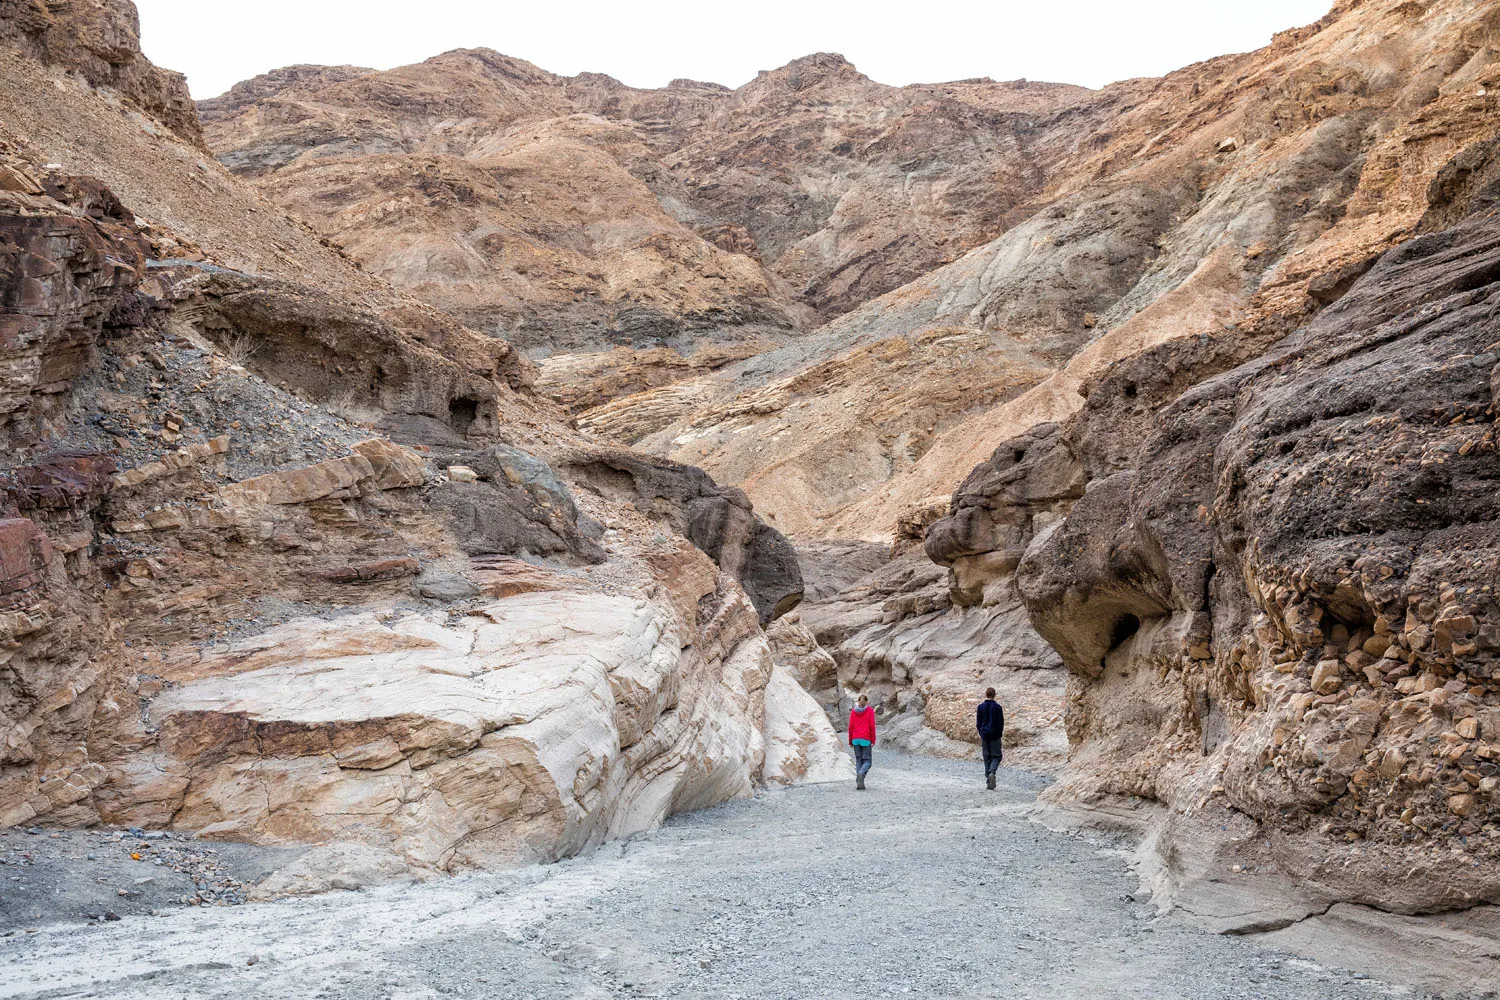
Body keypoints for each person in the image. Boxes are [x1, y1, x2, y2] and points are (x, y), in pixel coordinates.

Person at [976, 687, 1005, 790]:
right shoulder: (998, 707)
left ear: (986, 694)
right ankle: (992, 772)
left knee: (986, 757)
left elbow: (978, 722)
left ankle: (988, 780)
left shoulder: (980, 707)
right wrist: (999, 733)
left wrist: (981, 731)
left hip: (984, 735)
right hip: (995, 736)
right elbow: (1001, 722)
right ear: (994, 695)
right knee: (996, 757)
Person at [847, 693, 876, 790]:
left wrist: (850, 740)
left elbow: (850, 727)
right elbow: (872, 726)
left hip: (855, 739)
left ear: (858, 702)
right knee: (867, 761)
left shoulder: (853, 712)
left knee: (859, 760)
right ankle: (861, 774)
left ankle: (860, 782)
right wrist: (873, 740)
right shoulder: (870, 711)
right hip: (866, 738)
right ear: (867, 702)